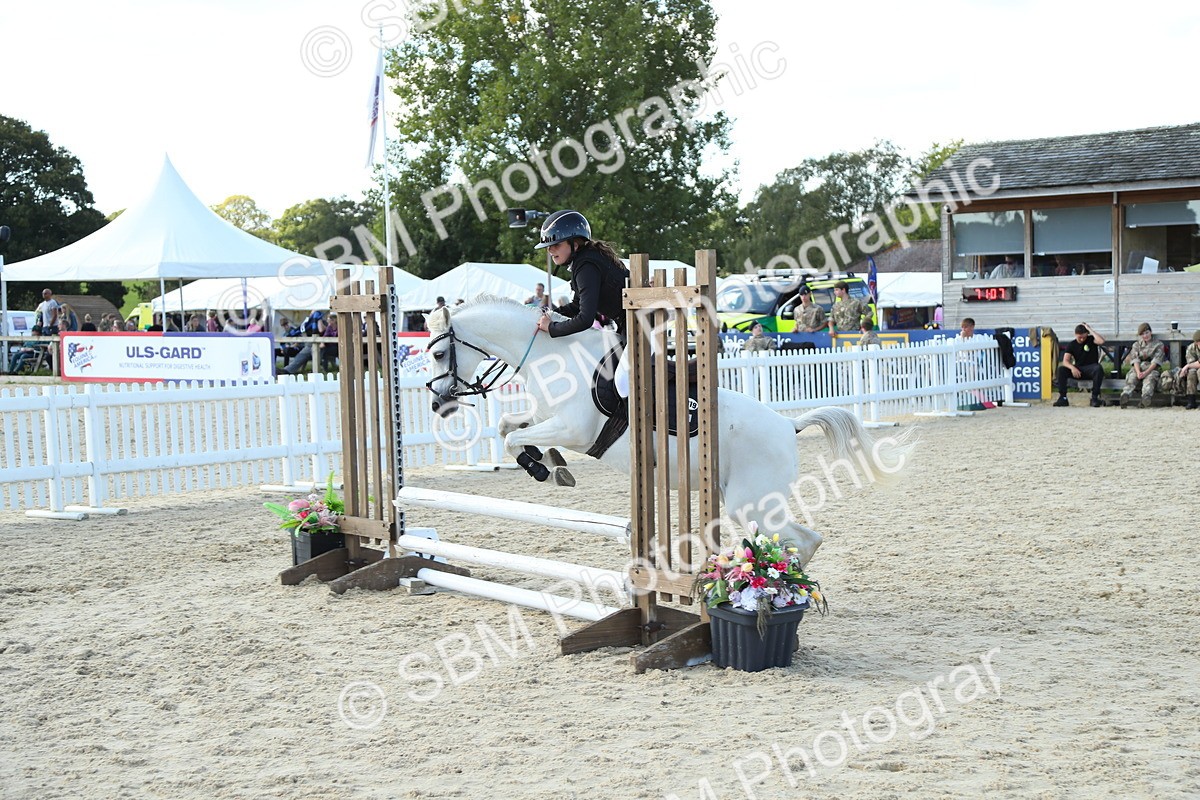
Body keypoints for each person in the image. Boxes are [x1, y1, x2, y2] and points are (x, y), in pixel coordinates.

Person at [1054, 323, 1107, 407]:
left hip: (1091, 369)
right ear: (1075, 335)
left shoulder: (1091, 340)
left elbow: (1101, 341)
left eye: (1084, 337)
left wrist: (1090, 330)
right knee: (1061, 369)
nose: (1082, 339)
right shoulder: (1072, 345)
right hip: (1078, 370)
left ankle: (1094, 398)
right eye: (1079, 337)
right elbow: (1065, 361)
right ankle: (1062, 398)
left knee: (1098, 368)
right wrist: (1072, 368)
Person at [1120, 322, 1165, 408]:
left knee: (1150, 379)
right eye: (1143, 334)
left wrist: (1146, 372)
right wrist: (1138, 372)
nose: (1145, 335)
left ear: (1151, 332)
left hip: (1151, 368)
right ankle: (1125, 396)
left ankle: (1145, 399)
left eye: (1147, 333)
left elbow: (1156, 362)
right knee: (1132, 377)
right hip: (1139, 368)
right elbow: (1135, 360)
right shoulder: (1137, 345)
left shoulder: (1158, 344)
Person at [1176, 330, 1200, 410]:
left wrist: (1187, 366)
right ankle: (1191, 400)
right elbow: (1192, 362)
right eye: (1198, 341)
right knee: (1191, 373)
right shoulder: (1191, 348)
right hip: (1194, 368)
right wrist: (1189, 367)